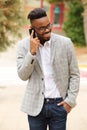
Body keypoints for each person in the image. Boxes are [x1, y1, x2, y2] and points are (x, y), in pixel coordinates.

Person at [17, 8, 80, 130]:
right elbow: (22, 75)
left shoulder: (65, 43)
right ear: (32, 29)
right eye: (41, 28)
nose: (47, 30)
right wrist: (32, 53)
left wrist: (69, 102)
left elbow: (74, 74)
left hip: (59, 106)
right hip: (35, 107)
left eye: (48, 25)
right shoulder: (23, 46)